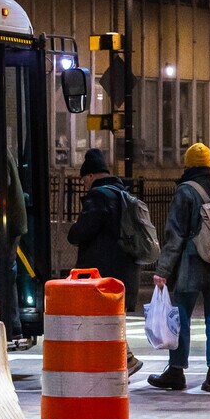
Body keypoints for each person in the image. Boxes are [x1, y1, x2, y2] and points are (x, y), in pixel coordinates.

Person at [149, 142, 210, 393]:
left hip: (190, 263)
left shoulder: (186, 191)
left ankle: (176, 371)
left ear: (188, 164)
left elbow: (175, 235)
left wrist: (163, 270)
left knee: (182, 316)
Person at [67, 147, 152, 377]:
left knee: (101, 320)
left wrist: (73, 231)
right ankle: (118, 360)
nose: (83, 184)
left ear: (91, 175)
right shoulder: (122, 193)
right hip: (125, 270)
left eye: (84, 179)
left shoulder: (99, 196)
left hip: (103, 273)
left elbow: (82, 231)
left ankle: (123, 359)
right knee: (110, 319)